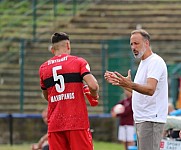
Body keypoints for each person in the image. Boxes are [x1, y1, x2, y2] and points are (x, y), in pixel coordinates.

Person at [104, 29, 168, 150]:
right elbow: (139, 92)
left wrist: (130, 84)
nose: (133, 47)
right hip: (142, 119)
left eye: (136, 43)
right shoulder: (144, 63)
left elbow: (150, 90)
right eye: (131, 44)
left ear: (147, 43)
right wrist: (120, 82)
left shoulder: (155, 62)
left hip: (151, 119)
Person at [39, 32, 99, 150]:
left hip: (55, 123)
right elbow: (93, 86)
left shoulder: (43, 68)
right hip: (76, 121)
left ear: (52, 50)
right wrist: (94, 96)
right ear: (68, 45)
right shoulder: (78, 62)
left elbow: (48, 96)